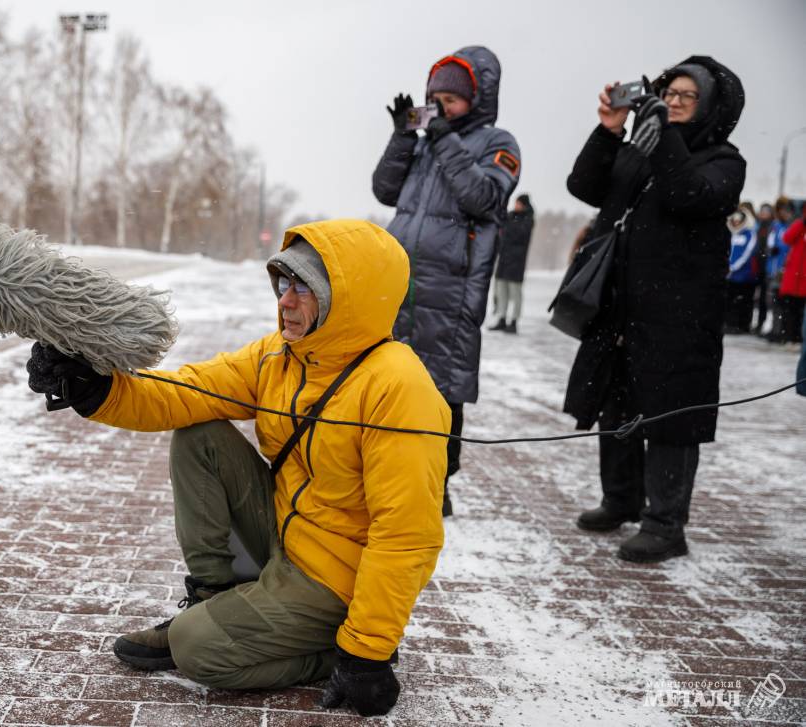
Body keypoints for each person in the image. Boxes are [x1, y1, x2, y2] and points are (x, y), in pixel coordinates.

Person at [26, 219, 450, 718]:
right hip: (284, 534)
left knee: (196, 651)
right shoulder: (282, 356)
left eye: (305, 289)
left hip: (337, 580)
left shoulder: (398, 388)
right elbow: (188, 391)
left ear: (349, 299)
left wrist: (367, 651)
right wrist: (97, 390)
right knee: (200, 433)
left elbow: (406, 536)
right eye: (283, 283)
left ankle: (330, 648)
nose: (286, 302)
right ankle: (217, 596)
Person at [564, 57, 746, 562]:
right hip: (622, 305)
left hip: (680, 316)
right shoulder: (642, 149)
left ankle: (666, 525)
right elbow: (584, 187)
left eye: (686, 96)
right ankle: (619, 499)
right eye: (668, 92)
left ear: (710, 106)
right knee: (615, 403)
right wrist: (609, 133)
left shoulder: (725, 161)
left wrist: (660, 132)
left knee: (671, 416)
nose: (673, 101)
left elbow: (687, 192)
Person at [372, 46, 520, 517]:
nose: (440, 106)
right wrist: (402, 137)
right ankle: (389, 475)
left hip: (452, 288)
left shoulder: (499, 143)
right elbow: (384, 190)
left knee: (442, 389)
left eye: (450, 100)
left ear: (474, 100)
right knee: (390, 380)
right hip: (401, 282)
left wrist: (441, 136)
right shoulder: (421, 144)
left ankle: (439, 486)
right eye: (433, 97)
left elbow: (482, 197)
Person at [489, 193, 535, 334]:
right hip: (504, 260)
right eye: (516, 203)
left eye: (519, 203)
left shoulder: (528, 219)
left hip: (516, 262)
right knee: (501, 291)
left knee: (515, 293)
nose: (516, 206)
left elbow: (519, 234)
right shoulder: (509, 216)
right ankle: (501, 319)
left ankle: (514, 321)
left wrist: (508, 226)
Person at [725, 204, 760, 334]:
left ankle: (742, 325)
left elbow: (747, 253)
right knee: (731, 301)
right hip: (731, 275)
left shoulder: (749, 234)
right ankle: (730, 323)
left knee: (743, 302)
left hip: (744, 275)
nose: (736, 221)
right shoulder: (731, 235)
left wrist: (733, 266)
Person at [764, 198, 794, 343]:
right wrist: (770, 250)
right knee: (772, 301)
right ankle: (774, 328)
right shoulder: (775, 226)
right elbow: (770, 244)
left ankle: (780, 330)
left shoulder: (791, 227)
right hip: (773, 268)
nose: (784, 213)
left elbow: (789, 246)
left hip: (784, 270)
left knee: (781, 303)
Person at [780, 205, 806, 344]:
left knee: (801, 313)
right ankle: (788, 337)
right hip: (793, 277)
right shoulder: (799, 225)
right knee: (790, 310)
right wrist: (802, 224)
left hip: (803, 280)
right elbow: (787, 238)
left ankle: (798, 338)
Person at [752, 203, 774, 334]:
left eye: (766, 212)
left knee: (765, 297)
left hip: (767, 265)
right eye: (762, 211)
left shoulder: (772, 226)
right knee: (755, 295)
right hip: (757, 265)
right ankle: (756, 323)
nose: (763, 214)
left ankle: (762, 323)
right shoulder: (758, 226)